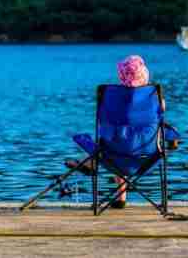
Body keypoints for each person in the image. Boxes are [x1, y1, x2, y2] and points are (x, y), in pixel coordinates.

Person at [65, 55, 163, 209]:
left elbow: (104, 127)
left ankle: (88, 163)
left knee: (116, 141)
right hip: (147, 155)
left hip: (113, 155)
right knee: (126, 140)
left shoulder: (111, 97)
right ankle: (119, 197)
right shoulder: (155, 98)